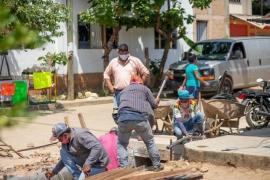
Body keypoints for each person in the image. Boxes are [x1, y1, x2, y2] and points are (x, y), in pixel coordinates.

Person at [117, 75, 164, 171]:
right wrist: (156, 101)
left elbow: (120, 105)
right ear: (140, 82)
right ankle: (157, 165)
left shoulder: (123, 91)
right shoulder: (144, 89)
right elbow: (154, 105)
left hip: (123, 118)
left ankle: (124, 168)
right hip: (139, 118)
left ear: (131, 82)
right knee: (149, 142)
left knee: (122, 144)